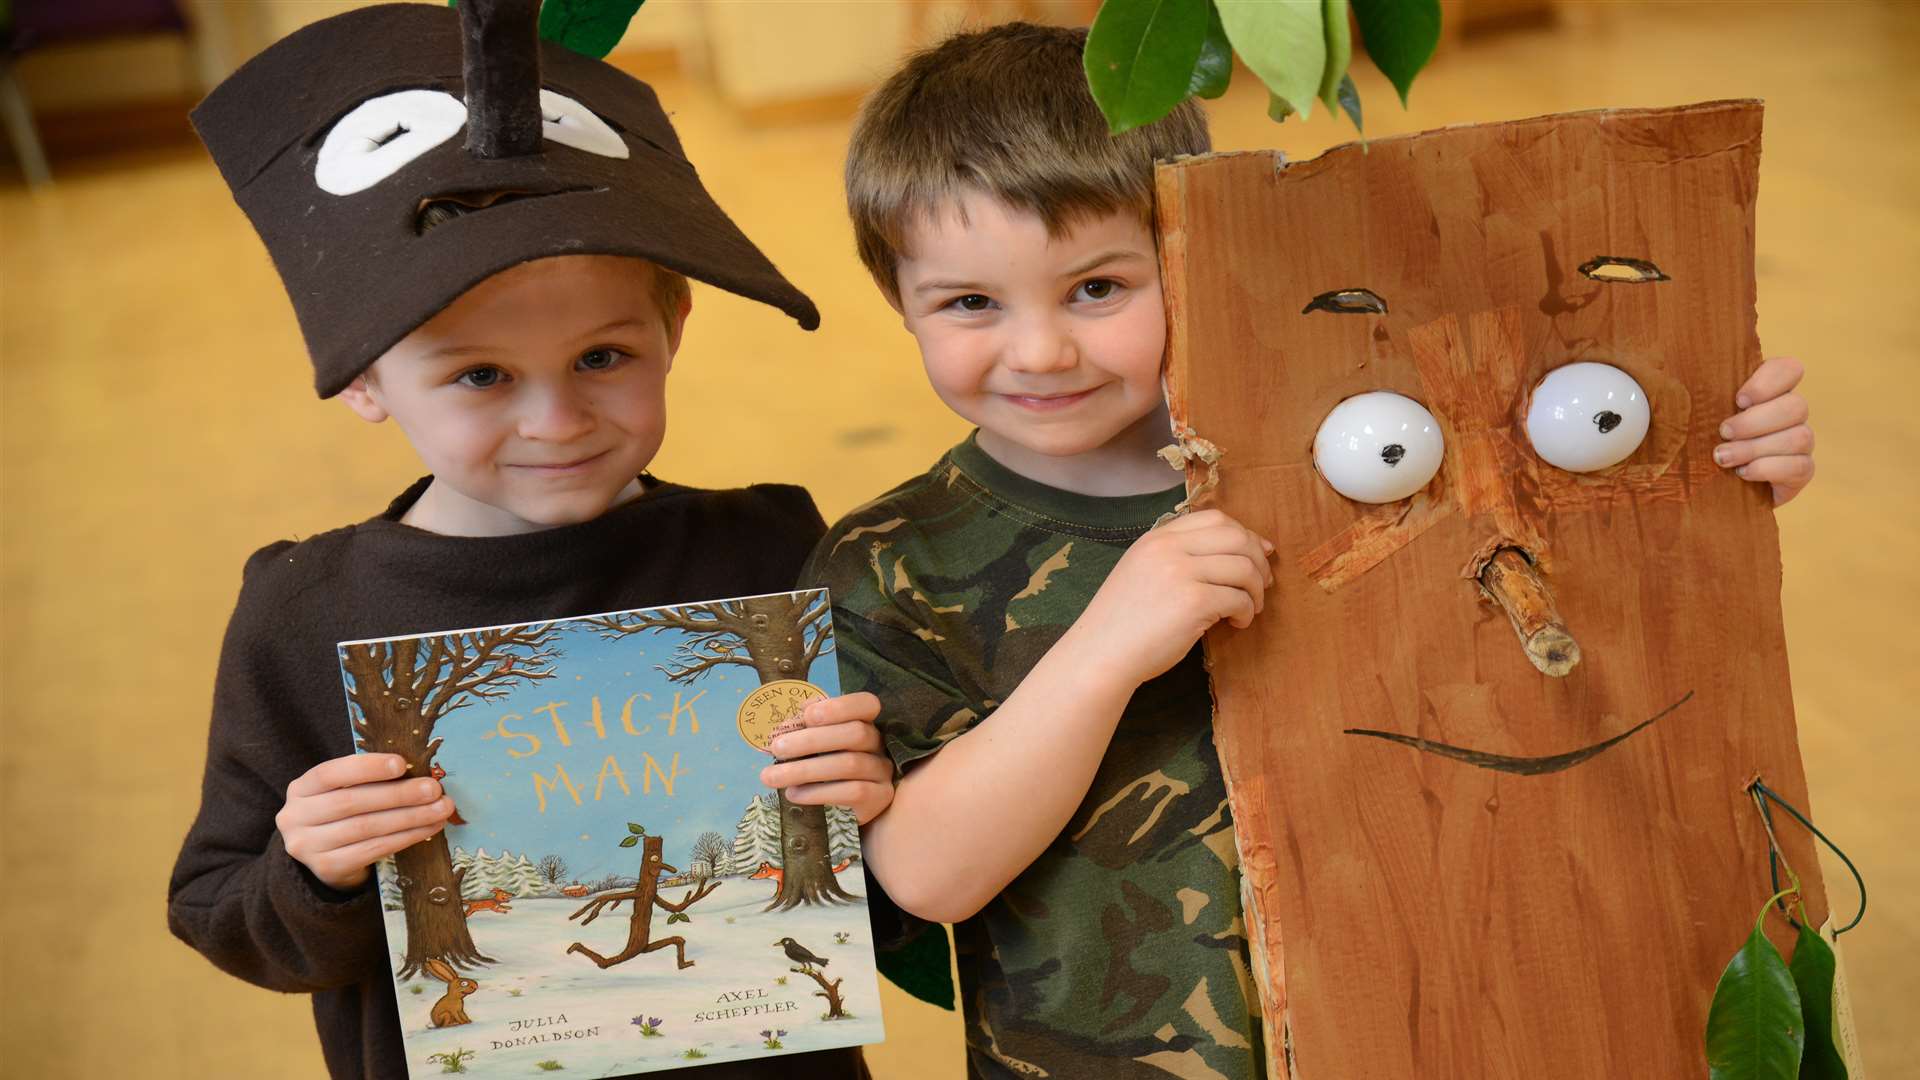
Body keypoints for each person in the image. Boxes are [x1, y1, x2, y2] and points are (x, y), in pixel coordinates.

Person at [790, 22, 1819, 1079]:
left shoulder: (1343, 461)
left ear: (1193, 252)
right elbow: (924, 877)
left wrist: (1720, 475)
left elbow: (1557, 613)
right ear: (898, 304)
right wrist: (1106, 649)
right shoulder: (891, 561)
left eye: (1098, 288)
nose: (1042, 350)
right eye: (970, 304)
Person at [165, 7, 889, 1078]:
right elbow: (220, 909)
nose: (556, 422)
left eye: (603, 356)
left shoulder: (768, 551)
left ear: (674, 326)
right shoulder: (304, 612)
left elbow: (885, 899)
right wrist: (312, 869)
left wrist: (870, 805)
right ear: (362, 375)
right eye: (481, 376)